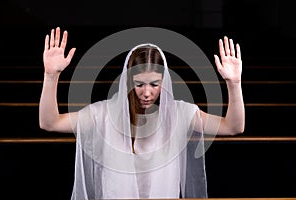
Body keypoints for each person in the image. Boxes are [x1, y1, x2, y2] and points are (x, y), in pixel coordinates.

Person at [39, 27, 244, 199]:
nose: (147, 93)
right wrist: (51, 76)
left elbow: (233, 127)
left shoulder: (181, 114)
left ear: (164, 81)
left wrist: (234, 84)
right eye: (139, 84)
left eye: (154, 84)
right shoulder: (102, 114)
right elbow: (50, 123)